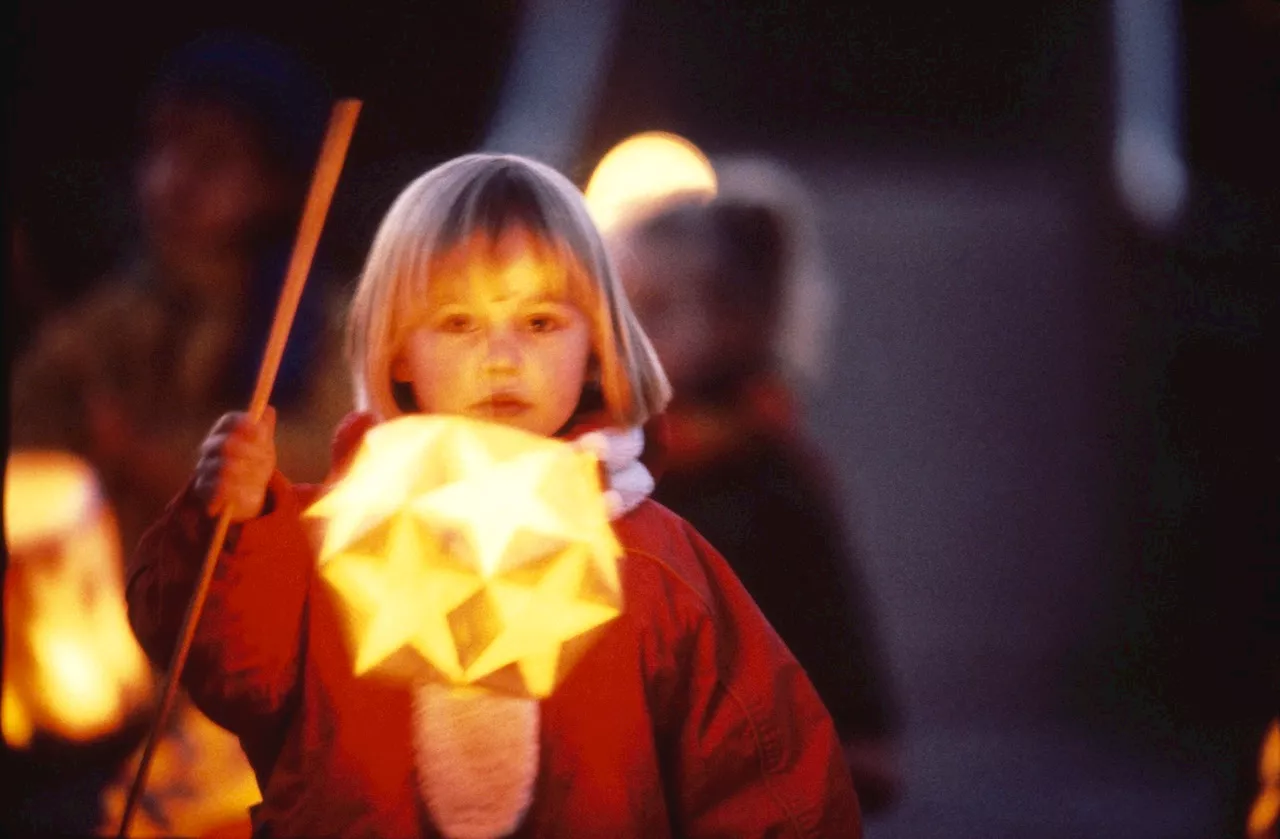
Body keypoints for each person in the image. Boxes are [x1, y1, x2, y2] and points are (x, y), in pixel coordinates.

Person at [125, 152, 862, 837]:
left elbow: (769, 779)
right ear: (397, 348)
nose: (501, 356)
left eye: (539, 321)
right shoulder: (317, 543)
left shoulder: (655, 563)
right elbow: (218, 656)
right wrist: (232, 523)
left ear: (597, 344)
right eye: (457, 322)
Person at [605, 157, 903, 813]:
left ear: (736, 320)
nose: (628, 336)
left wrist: (857, 731)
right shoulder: (618, 459)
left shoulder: (771, 480)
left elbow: (829, 619)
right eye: (619, 307)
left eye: (654, 309)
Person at [10, 31, 349, 559]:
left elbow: (334, 464)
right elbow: (29, 448)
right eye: (161, 147)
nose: (171, 179)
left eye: (211, 158)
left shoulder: (324, 326)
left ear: (275, 184)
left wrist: (145, 453)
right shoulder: (108, 319)